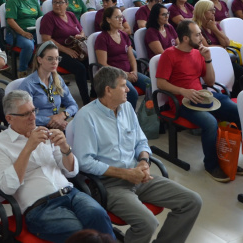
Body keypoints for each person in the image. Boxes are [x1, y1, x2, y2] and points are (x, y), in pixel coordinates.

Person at [71, 66, 202, 243]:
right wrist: (126, 174)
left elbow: (141, 141)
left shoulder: (126, 108)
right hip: (108, 184)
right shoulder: (86, 116)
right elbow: (85, 162)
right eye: (123, 85)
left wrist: (143, 162)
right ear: (108, 90)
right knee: (147, 223)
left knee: (192, 201)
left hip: (137, 174)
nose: (128, 89)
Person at [0, 90, 114, 243]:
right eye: (26, 114)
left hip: (71, 193)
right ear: (9, 118)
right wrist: (28, 148)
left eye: (33, 110)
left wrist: (65, 148)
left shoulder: (44, 132)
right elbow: (8, 188)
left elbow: (71, 172)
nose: (33, 117)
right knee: (81, 235)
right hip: (40, 207)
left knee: (99, 216)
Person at [156, 20, 243, 181]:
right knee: (210, 123)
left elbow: (210, 82)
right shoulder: (169, 54)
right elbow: (161, 83)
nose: (201, 37)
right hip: (181, 101)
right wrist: (183, 91)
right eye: (197, 35)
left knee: (237, 112)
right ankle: (211, 165)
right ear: (186, 38)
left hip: (202, 97)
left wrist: (208, 59)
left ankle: (227, 158)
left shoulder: (198, 53)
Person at [39, 0, 90, 103]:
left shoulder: (71, 15)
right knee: (80, 68)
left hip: (76, 48)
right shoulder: (48, 18)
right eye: (55, 2)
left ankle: (95, 94)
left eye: (60, 2)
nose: (57, 5)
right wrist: (66, 50)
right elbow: (46, 39)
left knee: (92, 63)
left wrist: (80, 35)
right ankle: (86, 99)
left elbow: (81, 30)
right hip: (56, 52)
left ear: (66, 4)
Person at [95, 7, 149, 108]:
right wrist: (125, 74)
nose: (121, 20)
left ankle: (145, 114)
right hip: (114, 75)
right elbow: (103, 64)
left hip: (129, 72)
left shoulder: (123, 35)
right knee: (132, 93)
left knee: (150, 85)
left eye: (121, 17)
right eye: (117, 17)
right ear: (108, 19)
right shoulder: (102, 38)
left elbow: (131, 57)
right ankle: (128, 117)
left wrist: (134, 72)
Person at [21, 42, 79, 127]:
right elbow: (24, 116)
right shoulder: (28, 85)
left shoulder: (58, 79)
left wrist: (62, 115)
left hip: (56, 125)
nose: (54, 62)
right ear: (39, 60)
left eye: (57, 58)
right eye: (50, 59)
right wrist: (52, 121)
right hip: (36, 127)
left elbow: (73, 105)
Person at [5, 0, 42, 73]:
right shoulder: (12, 2)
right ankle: (22, 70)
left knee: (48, 43)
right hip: (16, 33)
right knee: (28, 45)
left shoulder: (33, 1)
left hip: (34, 31)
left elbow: (41, 18)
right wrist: (23, 33)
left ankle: (44, 70)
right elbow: (10, 20)